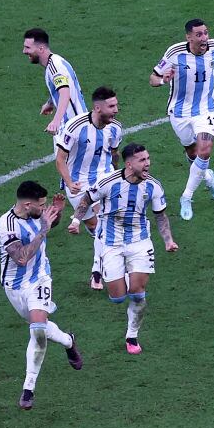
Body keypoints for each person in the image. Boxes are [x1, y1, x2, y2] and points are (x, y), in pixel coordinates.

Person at [68, 144, 178, 354]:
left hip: (139, 241)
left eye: (148, 158)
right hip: (112, 241)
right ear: (129, 164)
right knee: (117, 297)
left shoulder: (154, 186)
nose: (147, 164)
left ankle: (132, 335)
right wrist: (75, 221)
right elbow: (87, 199)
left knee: (138, 293)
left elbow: (160, 216)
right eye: (142, 160)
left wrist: (168, 241)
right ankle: (119, 271)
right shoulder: (108, 182)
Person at [0, 181, 82, 410]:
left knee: (37, 331)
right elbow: (21, 258)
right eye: (41, 205)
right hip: (14, 286)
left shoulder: (37, 215)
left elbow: (48, 224)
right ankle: (68, 341)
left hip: (40, 279)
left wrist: (57, 213)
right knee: (41, 327)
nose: (44, 209)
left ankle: (28, 389)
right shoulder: (7, 225)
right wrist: (44, 227)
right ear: (27, 205)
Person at [150, 18, 214, 221]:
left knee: (204, 150)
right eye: (199, 34)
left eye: (206, 33)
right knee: (192, 153)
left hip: (206, 109)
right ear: (188, 37)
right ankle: (208, 178)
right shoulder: (175, 53)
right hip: (180, 113)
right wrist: (163, 80)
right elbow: (152, 78)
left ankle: (186, 197)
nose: (204, 38)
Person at [54, 86, 123, 290]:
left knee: (104, 223)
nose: (116, 110)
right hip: (78, 183)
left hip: (105, 178)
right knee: (96, 226)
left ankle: (97, 273)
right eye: (111, 106)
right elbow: (60, 159)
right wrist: (68, 182)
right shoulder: (75, 126)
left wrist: (117, 175)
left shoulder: (115, 128)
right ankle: (104, 263)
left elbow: (114, 153)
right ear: (98, 108)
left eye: (116, 105)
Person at [22, 28, 87, 138]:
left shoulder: (55, 66)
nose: (24, 51)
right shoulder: (53, 63)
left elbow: (65, 93)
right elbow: (62, 87)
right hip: (73, 127)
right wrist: (50, 103)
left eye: (27, 47)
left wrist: (55, 121)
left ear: (41, 49)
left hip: (75, 129)